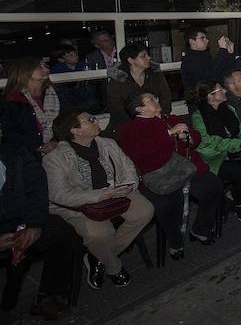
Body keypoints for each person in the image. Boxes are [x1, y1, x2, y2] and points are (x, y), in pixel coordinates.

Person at [43, 109, 154, 290]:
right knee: (100, 234)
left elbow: (128, 168)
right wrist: (99, 195)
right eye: (90, 120)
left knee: (144, 211)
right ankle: (113, 266)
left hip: (114, 192)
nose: (96, 121)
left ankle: (98, 256)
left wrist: (125, 186)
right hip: (82, 203)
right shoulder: (55, 158)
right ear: (75, 130)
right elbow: (58, 194)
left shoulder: (107, 144)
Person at [119, 92, 222, 259]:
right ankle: (175, 241)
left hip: (186, 168)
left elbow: (196, 137)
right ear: (139, 109)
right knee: (168, 203)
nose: (157, 99)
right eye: (151, 99)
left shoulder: (171, 118)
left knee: (212, 185)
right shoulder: (129, 128)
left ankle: (200, 229)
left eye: (156, 97)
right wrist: (168, 134)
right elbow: (139, 151)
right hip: (159, 175)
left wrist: (187, 136)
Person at [0, 142, 83, 320]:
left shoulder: (14, 151)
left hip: (22, 218)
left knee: (63, 232)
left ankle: (48, 295)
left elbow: (37, 186)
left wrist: (33, 224)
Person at [190, 80, 241, 223]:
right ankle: (237, 203)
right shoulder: (199, 116)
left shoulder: (228, 109)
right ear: (210, 96)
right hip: (214, 159)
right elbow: (212, 142)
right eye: (220, 90)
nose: (225, 91)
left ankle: (234, 199)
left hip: (233, 153)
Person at [105, 44, 172, 141]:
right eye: (143, 56)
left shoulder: (155, 76)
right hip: (127, 127)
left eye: (147, 54)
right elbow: (116, 108)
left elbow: (166, 97)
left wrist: (161, 116)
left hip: (156, 122)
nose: (149, 58)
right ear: (131, 60)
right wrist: (136, 125)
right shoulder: (118, 80)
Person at [2, 57, 59, 156]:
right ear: (25, 71)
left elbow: (65, 121)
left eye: (44, 65)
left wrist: (55, 141)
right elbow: (10, 132)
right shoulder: (12, 100)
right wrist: (37, 146)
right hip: (26, 155)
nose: (45, 67)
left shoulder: (53, 94)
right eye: (39, 66)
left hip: (55, 150)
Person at [180, 27, 238, 110]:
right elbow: (211, 76)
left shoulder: (206, 55)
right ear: (192, 41)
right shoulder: (189, 60)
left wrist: (230, 53)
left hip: (217, 101)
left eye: (206, 38)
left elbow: (225, 73)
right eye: (202, 38)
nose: (207, 41)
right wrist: (222, 50)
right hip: (201, 105)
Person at [50, 44, 101, 113]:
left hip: (86, 98)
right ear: (61, 59)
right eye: (70, 55)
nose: (75, 56)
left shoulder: (84, 65)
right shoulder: (57, 69)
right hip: (69, 101)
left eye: (75, 54)